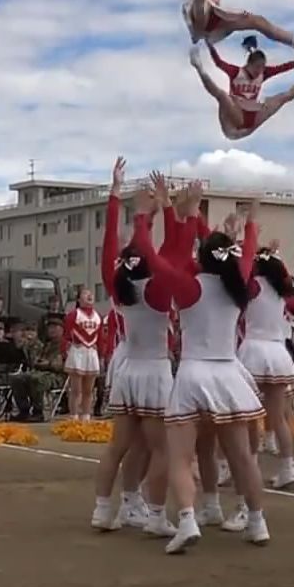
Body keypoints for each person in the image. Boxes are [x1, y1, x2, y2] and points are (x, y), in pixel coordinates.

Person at [134, 192, 270, 553]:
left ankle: (188, 520)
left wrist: (147, 217)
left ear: (201, 257)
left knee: (180, 456)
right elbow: (249, 252)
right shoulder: (236, 283)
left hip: (194, 373)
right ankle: (257, 522)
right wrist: (249, 222)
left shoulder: (189, 285)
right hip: (228, 373)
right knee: (242, 457)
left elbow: (150, 258)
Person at [94, 163, 175, 534]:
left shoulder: (117, 285)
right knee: (163, 447)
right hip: (155, 370)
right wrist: (160, 210)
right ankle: (154, 513)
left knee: (121, 446)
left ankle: (110, 508)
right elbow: (166, 252)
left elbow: (112, 243)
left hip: (126, 369)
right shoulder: (157, 290)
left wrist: (118, 195)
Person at [240, 235, 294, 487]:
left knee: (246, 416)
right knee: (280, 417)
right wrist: (272, 254)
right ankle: (288, 468)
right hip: (277, 353)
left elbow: (241, 268)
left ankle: (241, 466)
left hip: (253, 351)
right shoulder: (281, 293)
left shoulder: (251, 286)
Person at [190, 39, 294, 141]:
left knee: (283, 97)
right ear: (249, 64)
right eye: (257, 67)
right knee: (222, 95)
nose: (259, 71)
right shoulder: (236, 72)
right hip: (236, 115)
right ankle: (199, 66)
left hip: (252, 117)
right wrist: (209, 43)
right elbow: (218, 62)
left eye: (262, 67)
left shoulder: (263, 73)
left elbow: (285, 67)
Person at [62, 287, 103, 421]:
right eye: (85, 294)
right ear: (79, 299)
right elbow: (66, 335)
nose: (89, 295)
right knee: (76, 389)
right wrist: (65, 351)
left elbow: (101, 338)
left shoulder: (98, 316)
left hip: (91, 353)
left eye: (90, 293)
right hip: (77, 351)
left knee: (89, 390)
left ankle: (86, 415)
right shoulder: (73, 315)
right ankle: (73, 416)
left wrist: (102, 355)